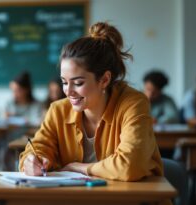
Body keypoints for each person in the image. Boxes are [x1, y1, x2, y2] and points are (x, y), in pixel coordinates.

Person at [19, 22, 163, 182]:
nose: (68, 91)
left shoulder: (133, 103)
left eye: (78, 83)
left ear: (104, 79)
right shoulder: (58, 110)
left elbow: (130, 165)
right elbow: (38, 148)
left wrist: (80, 167)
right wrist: (32, 160)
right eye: (64, 82)